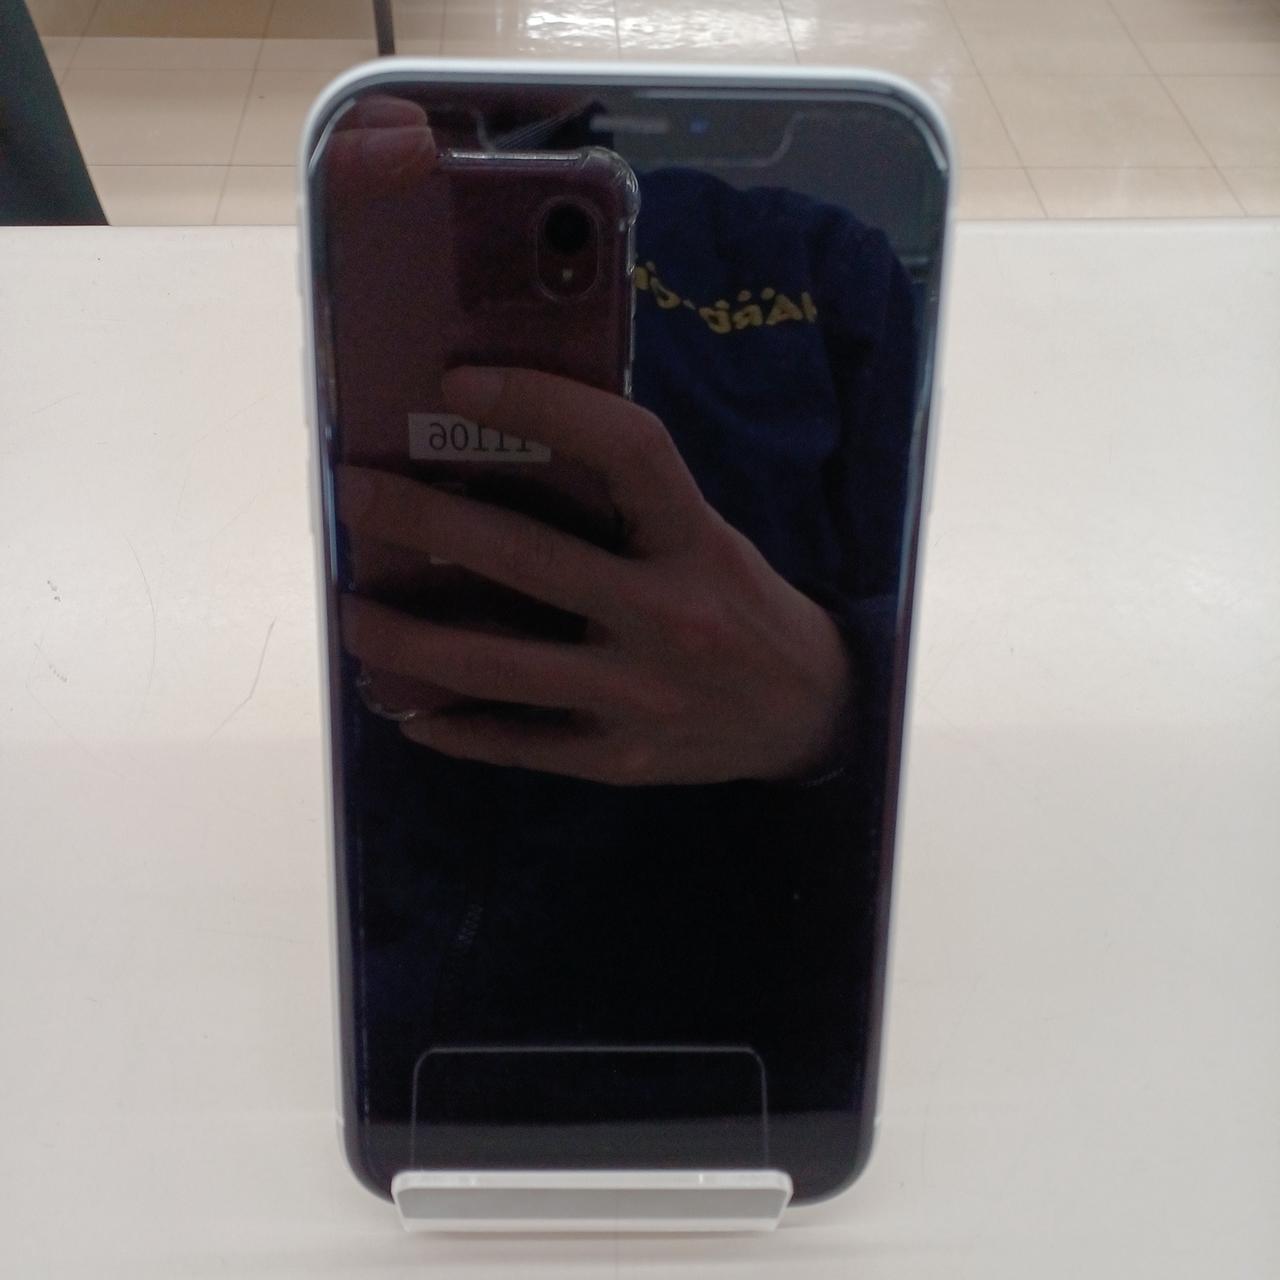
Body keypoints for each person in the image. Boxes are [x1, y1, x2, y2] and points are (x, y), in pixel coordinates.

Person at [317, 94, 919, 1191]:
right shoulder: (341, 244)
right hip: (354, 1057)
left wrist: (837, 697)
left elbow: (986, 672)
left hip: (760, 1085)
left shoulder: (816, 264)